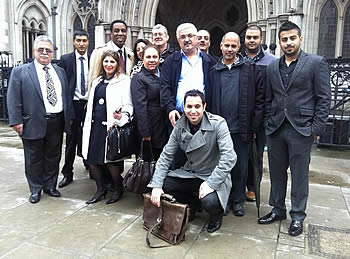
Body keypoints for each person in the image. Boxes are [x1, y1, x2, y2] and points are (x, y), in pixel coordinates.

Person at [258, 21, 331, 236]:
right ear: (279, 42)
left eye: (292, 38)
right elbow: (269, 98)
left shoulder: (316, 63)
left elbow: (323, 98)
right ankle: (277, 209)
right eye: (284, 39)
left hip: (302, 129)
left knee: (300, 175)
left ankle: (298, 215)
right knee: (276, 173)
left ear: (300, 39)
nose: (288, 43)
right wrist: (267, 123)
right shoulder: (272, 67)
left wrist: (315, 129)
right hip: (276, 128)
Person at [149, 89, 236, 233]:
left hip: (212, 174)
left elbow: (229, 157)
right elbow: (166, 156)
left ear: (204, 107)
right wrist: (157, 186)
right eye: (189, 107)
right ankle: (192, 204)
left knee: (210, 201)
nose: (193, 111)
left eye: (197, 106)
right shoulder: (179, 126)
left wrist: (211, 183)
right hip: (190, 173)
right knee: (162, 184)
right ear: (183, 107)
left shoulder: (218, 124)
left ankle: (216, 216)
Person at [7, 35, 72, 203]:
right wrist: (16, 121)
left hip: (56, 121)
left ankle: (50, 185)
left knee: (53, 155)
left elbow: (65, 96)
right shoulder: (20, 71)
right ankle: (35, 189)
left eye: (48, 50)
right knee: (33, 158)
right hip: (31, 122)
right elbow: (13, 98)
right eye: (41, 49)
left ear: (52, 53)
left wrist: (68, 117)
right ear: (34, 51)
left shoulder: (59, 71)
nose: (44, 53)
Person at [206, 32, 264, 217]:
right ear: (221, 46)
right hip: (220, 130)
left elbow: (260, 100)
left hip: (241, 128)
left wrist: (254, 126)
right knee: (221, 166)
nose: (230, 49)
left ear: (239, 47)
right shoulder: (213, 72)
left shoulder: (251, 69)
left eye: (233, 46)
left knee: (240, 166)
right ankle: (224, 200)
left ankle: (238, 201)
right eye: (226, 45)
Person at [160, 23, 216, 168]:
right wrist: (170, 108)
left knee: (202, 157)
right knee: (177, 158)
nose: (187, 40)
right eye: (182, 37)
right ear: (178, 40)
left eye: (190, 36)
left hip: (203, 116)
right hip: (178, 116)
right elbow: (164, 88)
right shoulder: (170, 61)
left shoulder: (209, 61)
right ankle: (176, 189)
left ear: (197, 38)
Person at [82, 50, 133, 204]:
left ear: (118, 64)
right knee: (92, 160)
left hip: (111, 126)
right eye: (106, 61)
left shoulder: (124, 81)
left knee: (112, 162)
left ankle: (117, 189)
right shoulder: (97, 81)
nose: (109, 65)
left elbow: (129, 105)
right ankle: (100, 189)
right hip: (94, 126)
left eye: (112, 62)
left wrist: (121, 117)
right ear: (102, 63)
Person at [241, 25, 277, 202]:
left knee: (256, 155)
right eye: (249, 37)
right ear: (245, 40)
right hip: (241, 116)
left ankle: (253, 187)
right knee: (241, 153)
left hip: (261, 116)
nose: (252, 40)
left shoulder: (271, 61)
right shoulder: (239, 59)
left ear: (261, 39)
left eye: (255, 37)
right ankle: (239, 185)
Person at [58, 30, 90, 188]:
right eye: (79, 40)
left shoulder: (94, 58)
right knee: (71, 140)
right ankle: (67, 173)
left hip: (90, 104)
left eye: (84, 40)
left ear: (88, 42)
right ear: (74, 42)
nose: (82, 43)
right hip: (74, 104)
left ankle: (90, 165)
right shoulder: (66, 60)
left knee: (90, 137)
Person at [131, 45, 168, 160]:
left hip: (165, 124)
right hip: (151, 126)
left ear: (159, 58)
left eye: (154, 57)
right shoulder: (139, 78)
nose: (152, 60)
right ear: (142, 59)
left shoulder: (165, 73)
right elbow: (140, 108)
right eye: (148, 57)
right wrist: (145, 133)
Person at [89, 20, 134, 85]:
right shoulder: (99, 52)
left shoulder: (130, 54)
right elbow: (93, 79)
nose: (120, 33)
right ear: (111, 33)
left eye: (123, 31)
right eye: (116, 31)